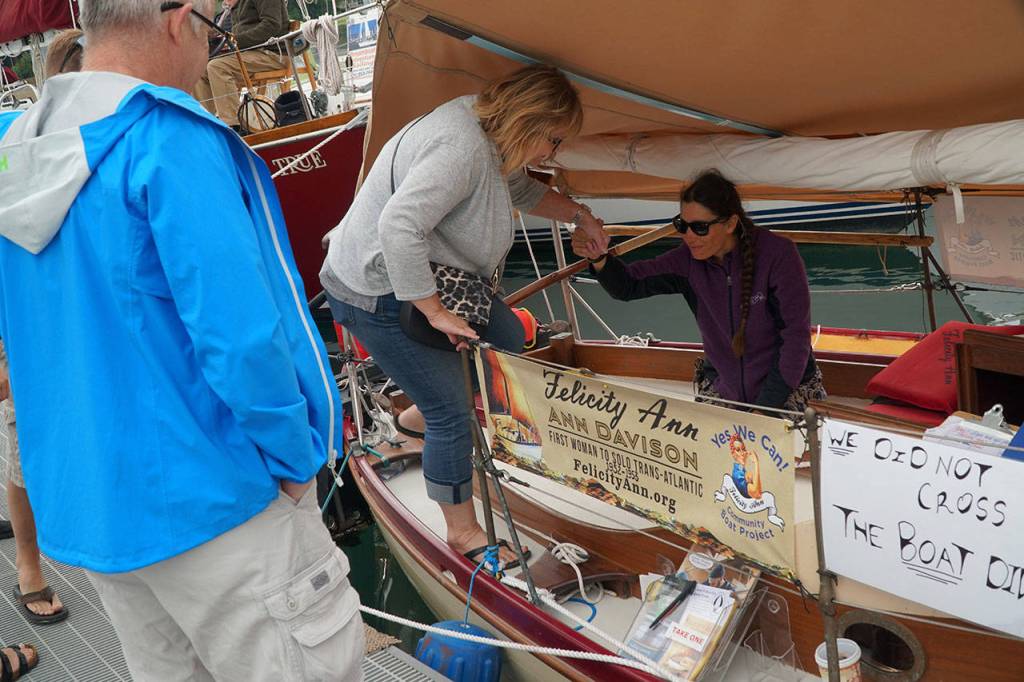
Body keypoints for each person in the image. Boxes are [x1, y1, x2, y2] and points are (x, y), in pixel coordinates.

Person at [0, 2, 363, 680]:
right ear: (179, 17)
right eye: (216, 34)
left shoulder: (13, 149)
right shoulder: (170, 140)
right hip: (220, 498)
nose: (209, 58)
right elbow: (245, 343)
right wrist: (293, 461)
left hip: (101, 507)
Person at [320, 64, 606, 565]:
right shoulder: (462, 147)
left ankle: (410, 417)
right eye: (554, 141)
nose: (553, 154)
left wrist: (580, 215)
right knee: (451, 411)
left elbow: (521, 190)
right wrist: (432, 310)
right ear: (530, 122)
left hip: (436, 273)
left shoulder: (490, 134)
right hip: (376, 286)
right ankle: (463, 532)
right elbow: (399, 225)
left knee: (508, 346)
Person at [575, 170, 826, 413]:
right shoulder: (687, 261)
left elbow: (795, 339)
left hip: (786, 389)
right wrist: (598, 256)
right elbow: (628, 286)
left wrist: (763, 412)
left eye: (700, 228)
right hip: (724, 389)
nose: (688, 236)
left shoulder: (779, 254)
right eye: (682, 225)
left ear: (730, 223)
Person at [0, 27, 88, 629]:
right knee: (22, 444)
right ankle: (28, 565)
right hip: (19, 325)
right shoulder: (17, 146)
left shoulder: (104, 140)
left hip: (73, 320)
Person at [193, 0, 289, 131]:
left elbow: (272, 25)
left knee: (218, 67)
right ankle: (204, 125)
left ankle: (233, 126)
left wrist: (236, 41)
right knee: (199, 70)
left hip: (272, 53)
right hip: (249, 52)